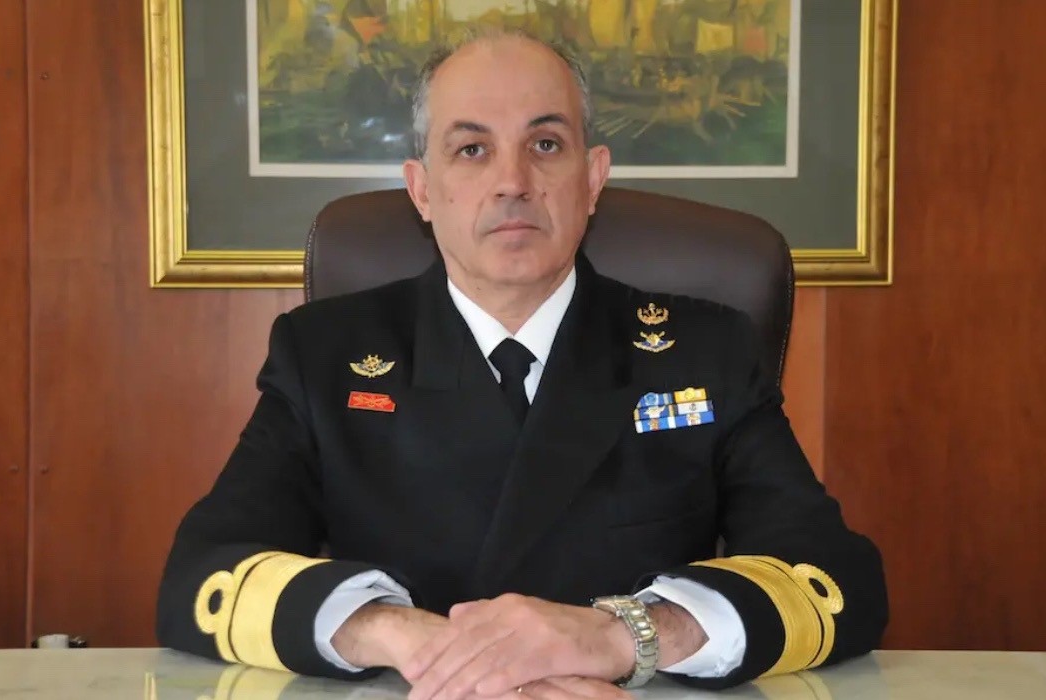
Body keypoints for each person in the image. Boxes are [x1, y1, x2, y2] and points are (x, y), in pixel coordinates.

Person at [156, 28, 888, 700]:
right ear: (422, 190)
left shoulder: (705, 352)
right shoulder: (326, 355)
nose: (513, 181)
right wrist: (405, 637)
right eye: (472, 149)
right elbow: (202, 573)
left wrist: (623, 636)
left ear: (592, 177)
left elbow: (835, 579)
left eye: (545, 144)